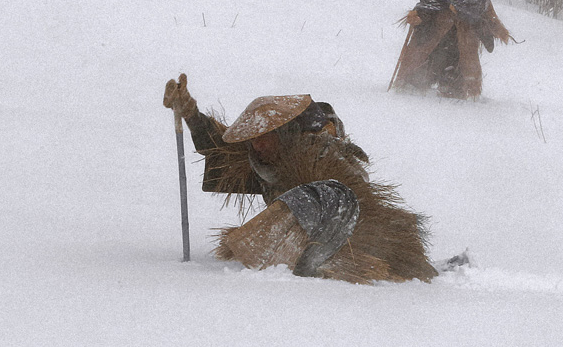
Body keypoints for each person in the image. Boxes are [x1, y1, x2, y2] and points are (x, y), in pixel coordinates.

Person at [163, 74, 438, 283]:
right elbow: (219, 148)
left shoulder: (319, 155)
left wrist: (342, 255)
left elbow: (355, 205)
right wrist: (189, 112)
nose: (258, 145)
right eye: (254, 139)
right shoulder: (259, 156)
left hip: (341, 239)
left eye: (265, 137)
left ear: (283, 133)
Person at [390, 0, 512, 99]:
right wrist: (417, 15)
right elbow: (427, 4)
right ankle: (412, 87)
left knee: (461, 65)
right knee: (429, 60)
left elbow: (487, 12)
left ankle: (454, 91)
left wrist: (497, 28)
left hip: (464, 37)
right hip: (439, 32)